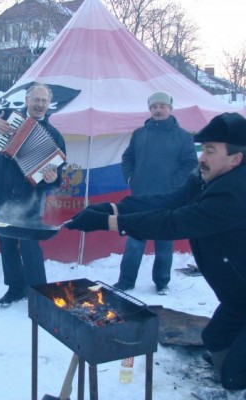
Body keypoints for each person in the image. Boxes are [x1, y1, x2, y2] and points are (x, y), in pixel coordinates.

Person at [66, 112, 246, 393]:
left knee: (235, 374)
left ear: (235, 159)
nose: (202, 158)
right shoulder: (206, 178)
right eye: (203, 150)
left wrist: (110, 223)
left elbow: (174, 222)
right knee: (214, 339)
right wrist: (114, 208)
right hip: (238, 296)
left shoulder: (235, 193)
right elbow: (169, 201)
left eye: (211, 151)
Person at [0, 83, 66, 307]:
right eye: (36, 99)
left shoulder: (54, 136)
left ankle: (39, 292)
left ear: (49, 104)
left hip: (29, 200)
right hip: (1, 193)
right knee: (6, 244)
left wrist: (52, 178)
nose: (40, 104)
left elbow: (58, 174)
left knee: (30, 246)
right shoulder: (7, 117)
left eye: (44, 101)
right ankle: (15, 288)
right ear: (27, 100)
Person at [115, 91, 198, 295]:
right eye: (154, 107)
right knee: (135, 241)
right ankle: (125, 281)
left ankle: (162, 282)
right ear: (150, 109)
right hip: (141, 196)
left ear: (170, 108)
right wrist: (130, 178)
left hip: (167, 198)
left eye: (162, 106)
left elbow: (190, 164)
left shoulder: (183, 136)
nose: (158, 110)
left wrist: (173, 185)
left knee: (164, 242)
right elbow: (128, 158)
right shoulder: (140, 134)